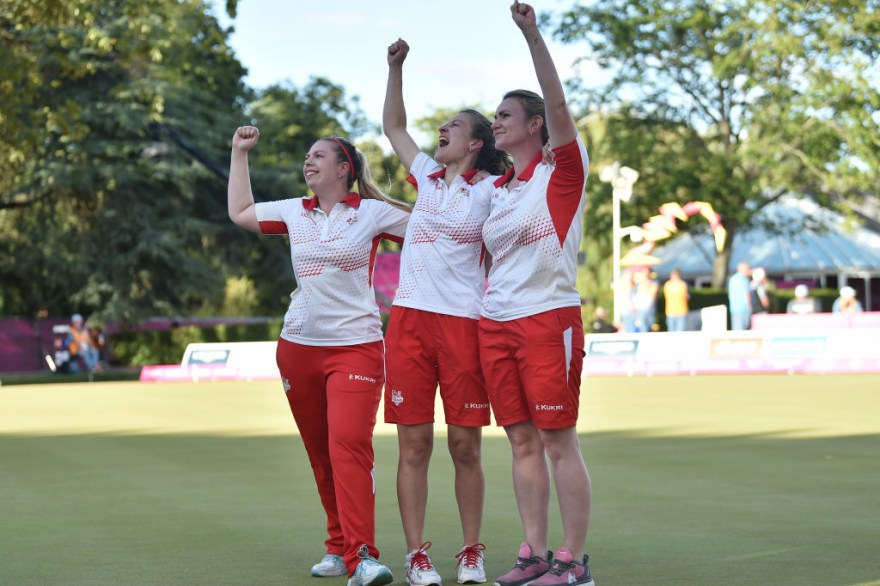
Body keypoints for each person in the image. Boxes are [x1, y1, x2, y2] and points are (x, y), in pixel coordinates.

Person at [228, 126, 411, 586]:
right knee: (321, 454)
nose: (308, 163)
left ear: (344, 168)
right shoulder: (293, 210)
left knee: (349, 447)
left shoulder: (372, 212)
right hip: (298, 349)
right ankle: (337, 545)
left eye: (319, 157)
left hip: (357, 347)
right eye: (307, 157)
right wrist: (239, 154)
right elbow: (241, 212)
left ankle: (363, 556)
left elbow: (434, 227)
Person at [382, 38, 510, 586]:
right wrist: (395, 69)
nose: (443, 130)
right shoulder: (428, 175)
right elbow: (393, 128)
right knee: (413, 445)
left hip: (463, 324)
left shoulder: (496, 190)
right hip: (408, 320)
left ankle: (472, 553)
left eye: (454, 127)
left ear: (477, 143)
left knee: (464, 444)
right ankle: (417, 557)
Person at [478, 3, 595, 585]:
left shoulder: (562, 174)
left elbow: (560, 103)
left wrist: (533, 35)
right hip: (496, 324)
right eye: (494, 116)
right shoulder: (497, 190)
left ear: (535, 126)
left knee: (557, 441)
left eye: (506, 115)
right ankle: (534, 553)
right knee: (521, 439)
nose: (495, 122)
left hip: (549, 319)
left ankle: (574, 563)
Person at [631, 268, 659, 332]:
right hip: (641, 308)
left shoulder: (653, 283)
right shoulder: (638, 284)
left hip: (649, 308)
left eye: (647, 272)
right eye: (644, 272)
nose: (645, 274)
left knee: (651, 326)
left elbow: (653, 296)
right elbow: (634, 296)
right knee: (642, 327)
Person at [728, 261, 753, 330]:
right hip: (744, 309)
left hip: (734, 309)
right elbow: (746, 295)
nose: (749, 270)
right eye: (748, 268)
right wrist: (750, 307)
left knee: (737, 330)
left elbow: (730, 296)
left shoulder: (732, 279)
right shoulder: (744, 279)